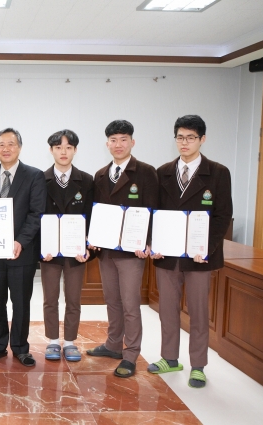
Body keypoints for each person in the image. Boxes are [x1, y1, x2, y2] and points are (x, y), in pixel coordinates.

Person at [149, 115, 232, 388]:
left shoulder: (218, 173)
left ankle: (198, 365)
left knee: (198, 311)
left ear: (202, 139)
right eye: (180, 137)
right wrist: (154, 242)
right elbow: (154, 214)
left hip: (200, 257)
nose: (185, 143)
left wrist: (206, 248)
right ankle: (169, 358)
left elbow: (222, 216)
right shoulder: (162, 172)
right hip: (168, 256)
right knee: (168, 309)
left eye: (191, 138)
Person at [86, 120, 158, 378]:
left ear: (132, 142)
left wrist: (148, 241)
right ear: (107, 144)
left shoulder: (146, 172)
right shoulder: (101, 175)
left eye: (124, 139)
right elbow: (97, 212)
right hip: (106, 251)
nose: (118, 145)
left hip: (131, 253)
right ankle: (113, 344)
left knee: (130, 304)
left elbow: (153, 209)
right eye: (113, 140)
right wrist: (92, 238)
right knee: (112, 301)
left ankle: (130, 354)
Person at [0, 128, 46, 367]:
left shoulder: (34, 175)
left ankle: (20, 347)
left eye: (11, 144)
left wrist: (20, 241)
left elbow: (36, 213)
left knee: (20, 302)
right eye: (1, 145)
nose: (6, 149)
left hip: (22, 253)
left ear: (20, 147)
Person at [40, 129, 95, 362]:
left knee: (73, 299)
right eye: (58, 147)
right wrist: (41, 248)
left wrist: (89, 248)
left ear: (75, 150)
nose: (63, 152)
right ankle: (53, 341)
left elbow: (92, 217)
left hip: (76, 253)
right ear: (51, 150)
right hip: (50, 253)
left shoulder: (87, 180)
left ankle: (70, 341)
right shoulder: (39, 180)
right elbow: (36, 216)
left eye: (68, 147)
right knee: (50, 299)